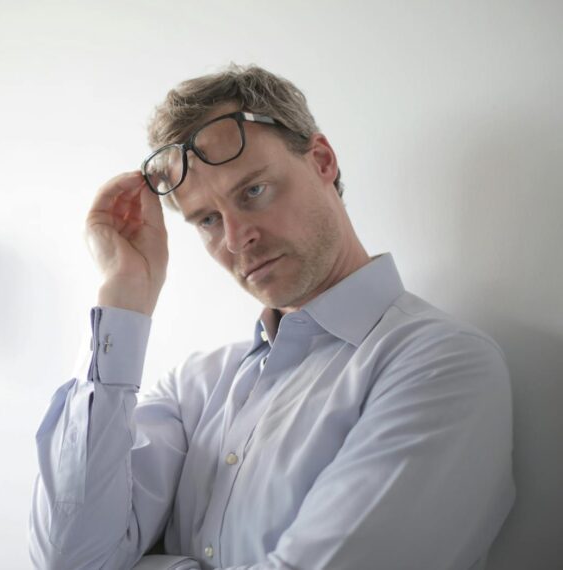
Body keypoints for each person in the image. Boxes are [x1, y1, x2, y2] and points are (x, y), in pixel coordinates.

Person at [28, 64, 515, 570]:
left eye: (253, 192)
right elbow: (70, 558)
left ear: (322, 160)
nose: (237, 240)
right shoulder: (194, 389)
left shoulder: (441, 364)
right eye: (209, 220)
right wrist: (124, 296)